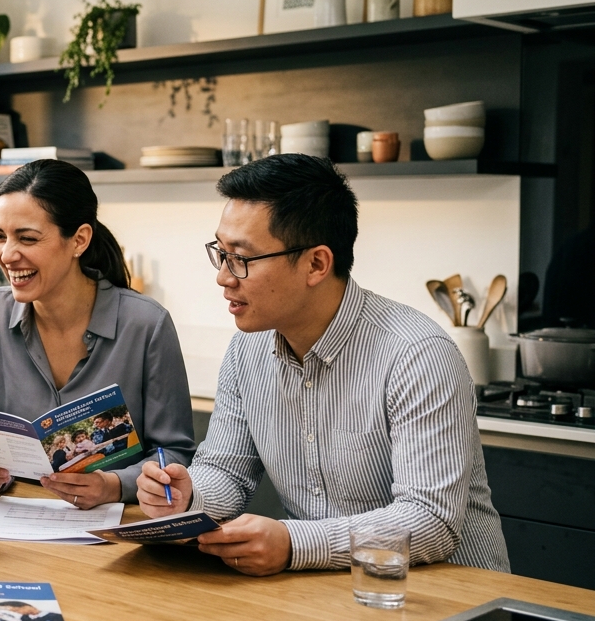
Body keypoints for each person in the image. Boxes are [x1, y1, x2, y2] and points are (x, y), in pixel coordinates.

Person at [136, 154, 509, 576]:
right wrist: (188, 495)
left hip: (445, 597)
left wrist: (293, 543)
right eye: (220, 253)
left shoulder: (416, 354)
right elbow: (226, 469)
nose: (223, 276)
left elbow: (430, 520)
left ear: (316, 264)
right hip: (326, 591)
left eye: (241, 258)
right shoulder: (247, 350)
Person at [0, 159, 196, 508]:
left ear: (79, 240)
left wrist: (113, 485)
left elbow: (175, 454)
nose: (7, 254)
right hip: (14, 521)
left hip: (117, 524)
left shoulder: (147, 324)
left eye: (27, 238)